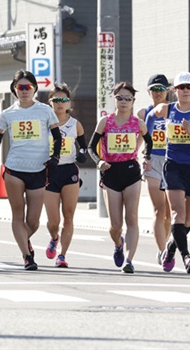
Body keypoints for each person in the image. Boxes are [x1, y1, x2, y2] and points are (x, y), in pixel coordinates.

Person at [0, 70, 60, 270]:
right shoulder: (8, 113)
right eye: (20, 87)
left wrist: (55, 156)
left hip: (38, 168)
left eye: (28, 87)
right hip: (14, 169)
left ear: (34, 89)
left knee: (34, 221)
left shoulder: (45, 110)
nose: (24, 91)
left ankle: (23, 239)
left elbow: (57, 136)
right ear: (14, 90)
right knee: (17, 215)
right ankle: (27, 256)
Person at [147, 71, 190, 274]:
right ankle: (186, 257)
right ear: (174, 90)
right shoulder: (167, 109)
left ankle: (170, 250)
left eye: (188, 87)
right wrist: (147, 148)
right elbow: (148, 117)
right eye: (181, 87)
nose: (184, 91)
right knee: (177, 214)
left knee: (188, 219)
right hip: (172, 165)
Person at [88, 82, 152, 274]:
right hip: (110, 172)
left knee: (131, 218)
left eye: (128, 99)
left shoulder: (138, 123)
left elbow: (149, 142)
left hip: (131, 171)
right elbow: (91, 147)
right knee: (115, 225)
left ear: (133, 101)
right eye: (120, 98)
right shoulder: (105, 122)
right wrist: (99, 162)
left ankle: (129, 260)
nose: (124, 102)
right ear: (114, 99)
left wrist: (146, 158)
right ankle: (118, 244)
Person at [43, 84, 88, 268]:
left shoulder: (75, 124)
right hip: (49, 172)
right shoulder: (44, 122)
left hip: (69, 170)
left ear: (69, 103)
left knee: (68, 215)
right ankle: (54, 237)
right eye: (56, 100)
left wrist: (82, 154)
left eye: (63, 100)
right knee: (53, 222)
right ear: (50, 102)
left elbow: (84, 146)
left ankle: (62, 255)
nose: (60, 104)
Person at [136, 74, 172, 266]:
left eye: (161, 89)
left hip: (173, 161)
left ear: (167, 90)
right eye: (154, 89)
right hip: (152, 161)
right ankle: (162, 251)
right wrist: (135, 155)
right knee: (159, 209)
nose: (157, 93)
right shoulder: (143, 113)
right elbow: (139, 138)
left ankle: (165, 245)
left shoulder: (174, 111)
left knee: (169, 213)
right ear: (148, 91)